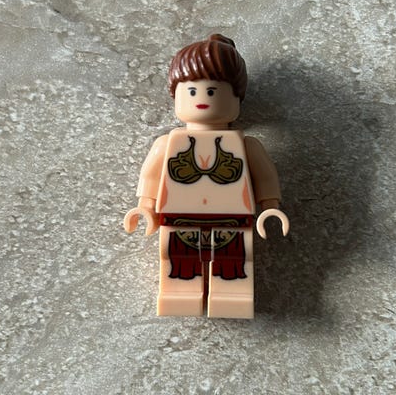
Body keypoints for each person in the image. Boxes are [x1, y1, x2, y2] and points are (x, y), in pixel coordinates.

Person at [124, 34, 289, 318]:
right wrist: (145, 206)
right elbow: (151, 177)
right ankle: (180, 295)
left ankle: (232, 297)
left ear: (237, 99)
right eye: (191, 91)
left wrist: (270, 207)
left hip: (233, 220)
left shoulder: (246, 145)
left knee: (233, 261)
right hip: (177, 218)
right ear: (176, 96)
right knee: (179, 261)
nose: (201, 98)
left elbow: (265, 178)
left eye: (213, 91)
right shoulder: (167, 144)